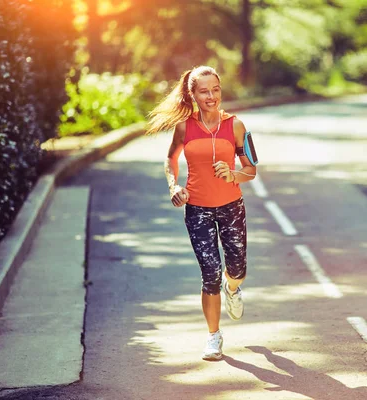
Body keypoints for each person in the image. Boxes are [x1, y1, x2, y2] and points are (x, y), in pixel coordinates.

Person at [146, 66, 258, 361]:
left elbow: (251, 170)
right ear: (193, 94)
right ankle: (213, 336)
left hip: (232, 206)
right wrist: (173, 186)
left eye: (215, 90)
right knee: (209, 273)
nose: (211, 97)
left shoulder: (236, 126)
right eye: (204, 91)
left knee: (237, 270)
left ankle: (232, 288)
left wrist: (234, 174)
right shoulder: (184, 126)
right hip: (197, 210)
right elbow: (170, 158)